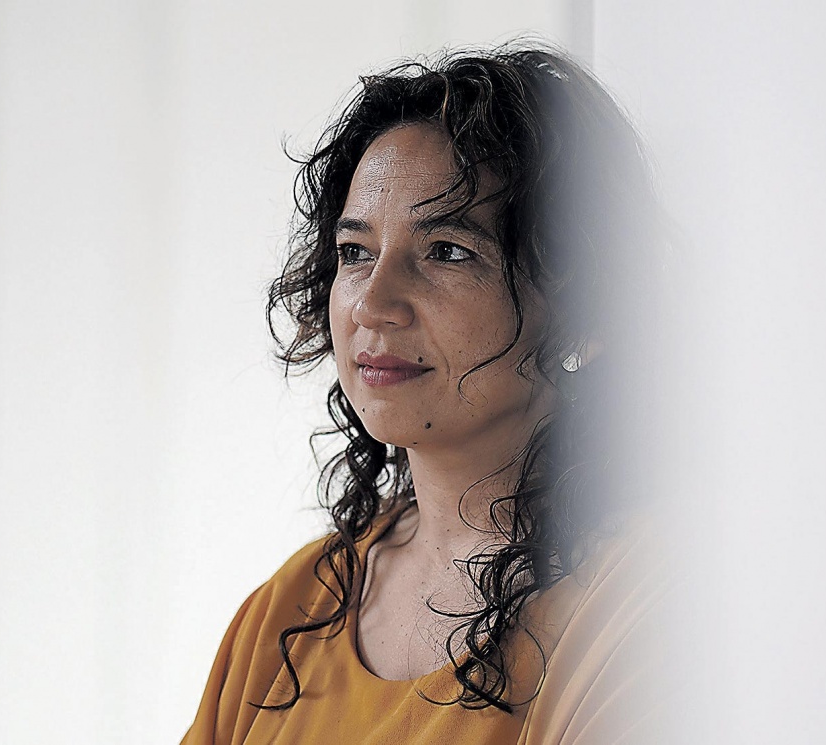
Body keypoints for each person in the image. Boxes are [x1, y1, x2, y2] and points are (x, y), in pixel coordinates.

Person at [183, 43, 677, 744]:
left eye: (447, 251)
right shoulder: (287, 610)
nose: (372, 303)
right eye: (355, 252)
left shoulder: (643, 598)